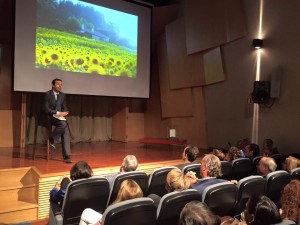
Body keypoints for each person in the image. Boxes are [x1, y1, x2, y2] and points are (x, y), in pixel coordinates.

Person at [40, 78, 72, 163]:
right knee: (64, 125)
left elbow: (64, 106)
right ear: (53, 85)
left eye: (61, 84)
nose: (60, 86)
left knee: (64, 126)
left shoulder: (62, 95)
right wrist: (58, 112)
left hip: (57, 117)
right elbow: (46, 109)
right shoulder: (47, 94)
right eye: (58, 84)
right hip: (48, 117)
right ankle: (53, 139)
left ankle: (67, 156)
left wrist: (65, 112)